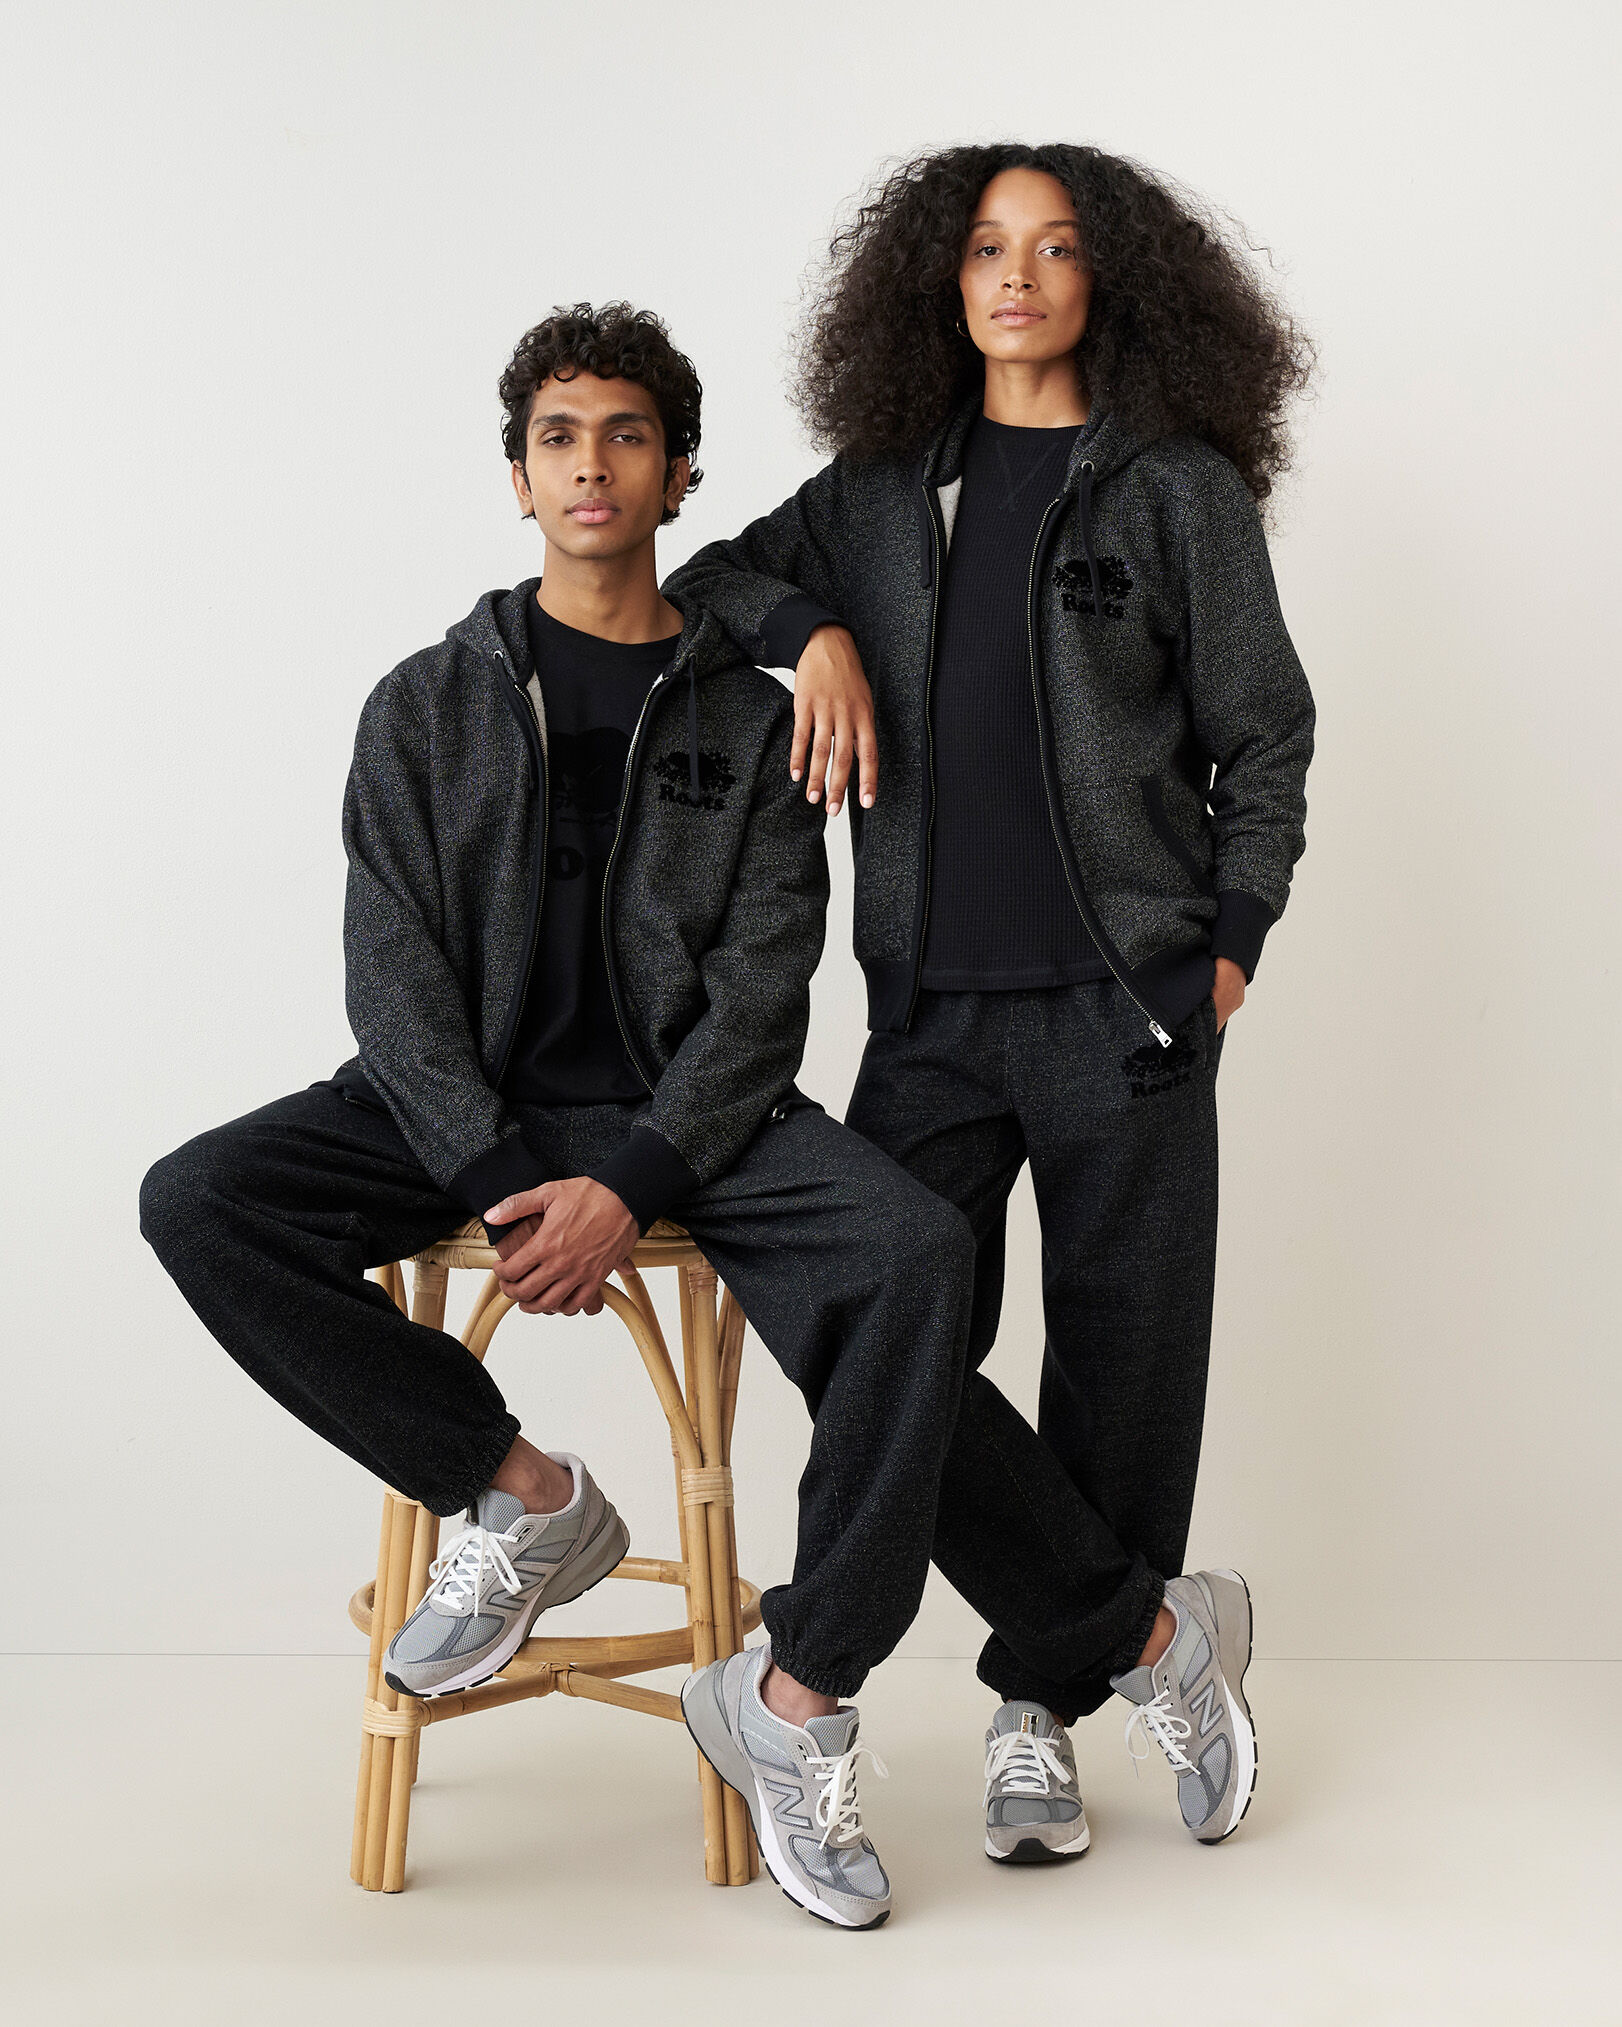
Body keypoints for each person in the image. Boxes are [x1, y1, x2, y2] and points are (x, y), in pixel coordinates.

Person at [141, 302, 981, 1931]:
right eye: (558, 438)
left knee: (916, 1251)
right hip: (460, 1109)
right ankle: (522, 1494)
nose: (591, 466)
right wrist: (505, 1171)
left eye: (626, 437)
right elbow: (390, 974)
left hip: (691, 1117)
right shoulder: (424, 704)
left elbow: (764, 989)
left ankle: (796, 1694)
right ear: (516, 477)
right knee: (199, 1199)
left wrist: (634, 1176)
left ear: (678, 475)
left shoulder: (751, 721)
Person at [667, 144, 1316, 1860]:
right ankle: (1153, 1638)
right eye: (981, 248)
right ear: (935, 284)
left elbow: (1262, 732)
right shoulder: (879, 492)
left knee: (1122, 1378)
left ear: (1113, 282)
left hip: (1127, 1012)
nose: (1014, 276)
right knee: (886, 1348)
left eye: (1053, 248)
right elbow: (703, 583)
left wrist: (1224, 948)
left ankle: (1038, 1713)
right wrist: (810, 630)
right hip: (930, 1020)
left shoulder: (1172, 491)